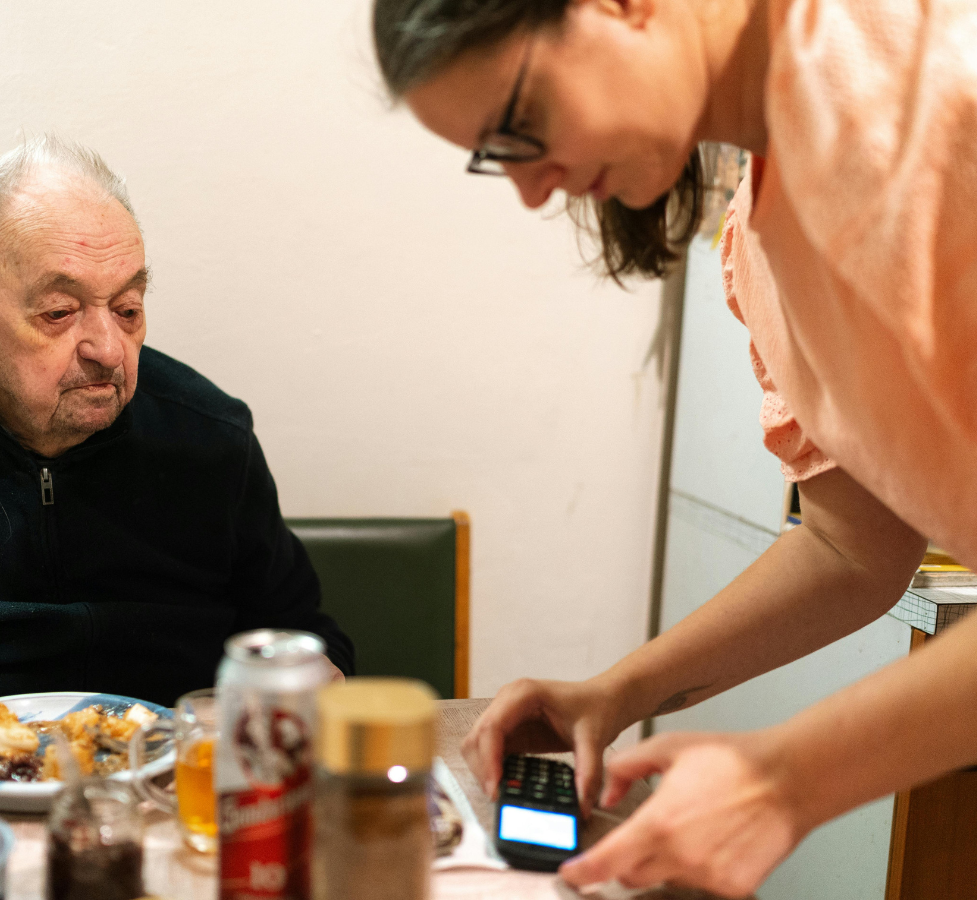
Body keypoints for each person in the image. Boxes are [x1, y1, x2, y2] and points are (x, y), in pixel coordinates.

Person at [372, 0, 977, 895]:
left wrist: (784, 781)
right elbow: (852, 547)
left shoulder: (927, 103)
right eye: (496, 160)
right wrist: (620, 694)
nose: (533, 191)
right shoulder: (763, 238)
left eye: (519, 127)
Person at [0, 136, 354, 738]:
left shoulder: (209, 437)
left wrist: (316, 674)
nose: (108, 350)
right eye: (59, 312)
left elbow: (303, 631)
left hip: (166, 782)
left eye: (128, 308)